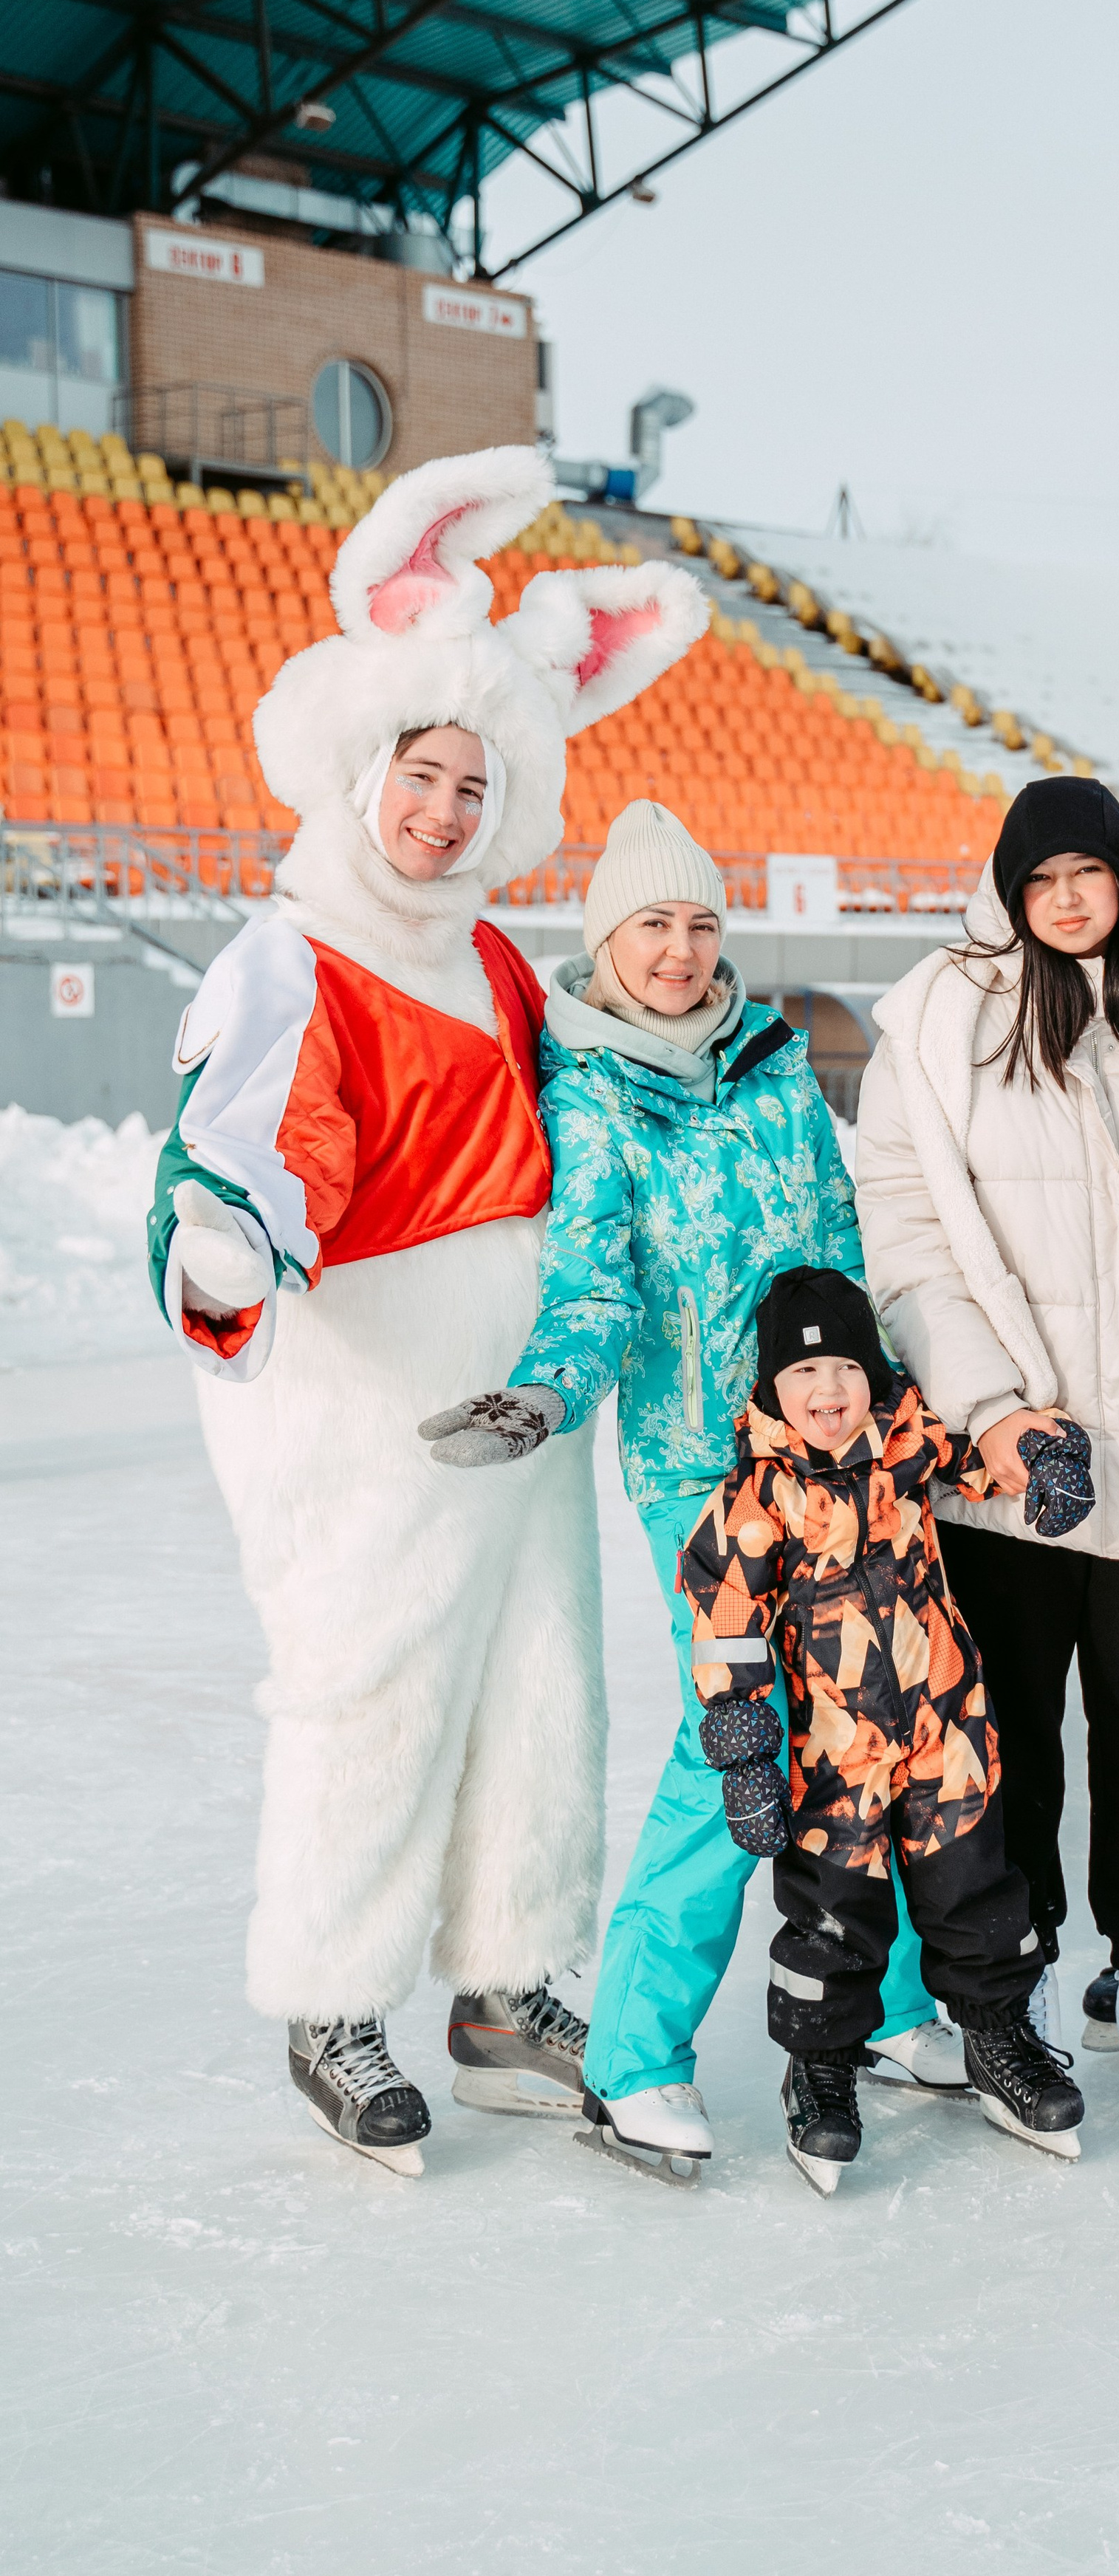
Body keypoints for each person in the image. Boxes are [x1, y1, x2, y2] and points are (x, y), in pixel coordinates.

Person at [146, 445, 708, 2174]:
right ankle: (334, 1995)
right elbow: (225, 1147)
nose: (446, 812)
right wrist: (225, 1242)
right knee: (371, 1678)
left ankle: (502, 1980)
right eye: (424, 774)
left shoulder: (490, 958)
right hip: (359, 1392)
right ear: (363, 765)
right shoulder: (293, 949)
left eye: (476, 786)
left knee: (540, 1681)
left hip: (511, 1399)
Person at [424, 803, 956, 2188]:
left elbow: (838, 1251)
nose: (679, 948)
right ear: (606, 941)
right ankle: (635, 2056)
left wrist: (895, 1409)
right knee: (747, 1751)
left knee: (871, 1720)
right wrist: (544, 1388)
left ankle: (889, 2005)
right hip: (697, 1481)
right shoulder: (589, 1088)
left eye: (699, 921)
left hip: (830, 1459)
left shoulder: (776, 1063)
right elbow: (595, 1282)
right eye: (652, 924)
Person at [855, 778, 1119, 2107]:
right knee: (1011, 1733)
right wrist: (994, 1410)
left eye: (1092, 873)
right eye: (1042, 879)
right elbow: (902, 1234)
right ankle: (1009, 1979)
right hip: (1005, 1462)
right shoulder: (942, 1018)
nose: (1070, 900)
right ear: (1011, 894)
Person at [679, 1264, 1087, 2191]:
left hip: (945, 1731)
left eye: (847, 1371)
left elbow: (989, 1459)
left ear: (874, 1373)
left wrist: (1051, 1462)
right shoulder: (754, 1498)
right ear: (772, 1389)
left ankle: (999, 2042)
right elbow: (727, 1622)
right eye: (803, 1377)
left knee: (979, 1894)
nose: (829, 1392)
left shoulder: (910, 1445)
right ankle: (819, 2070)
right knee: (830, 1918)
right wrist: (745, 1748)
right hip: (836, 1756)